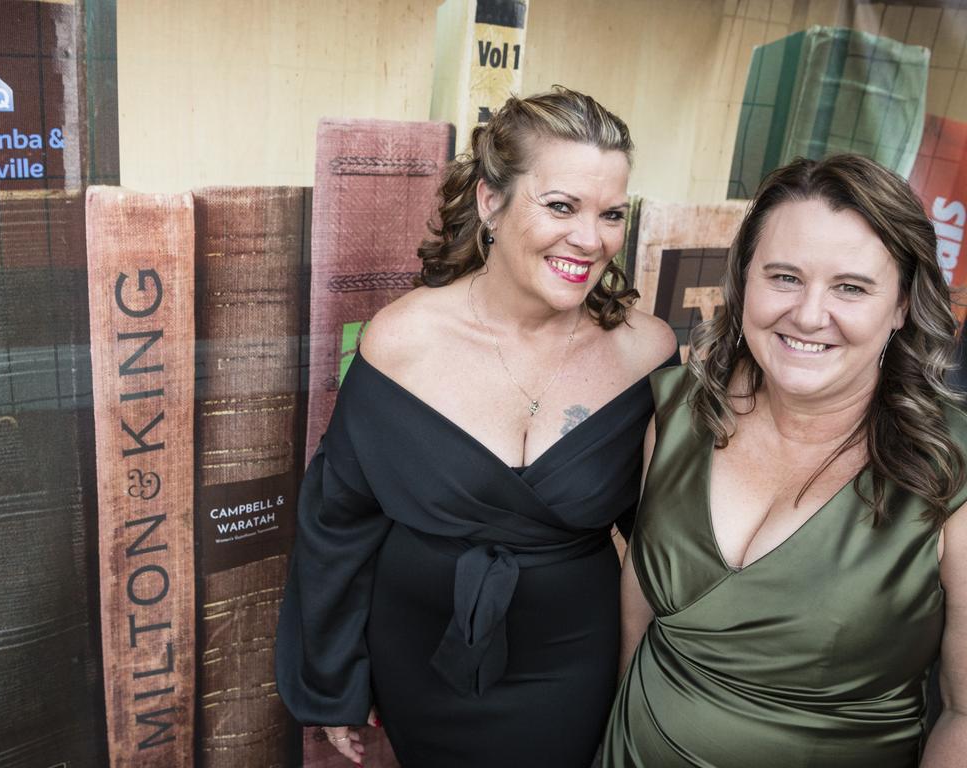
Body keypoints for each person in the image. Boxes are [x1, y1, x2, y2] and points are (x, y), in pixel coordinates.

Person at [275, 87, 677, 767]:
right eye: (561, 206)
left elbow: (669, 542)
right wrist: (335, 683)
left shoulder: (649, 352)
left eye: (612, 213)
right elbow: (337, 521)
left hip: (573, 666)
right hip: (419, 664)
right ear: (492, 201)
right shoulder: (401, 340)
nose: (591, 238)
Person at [603, 153, 967, 767]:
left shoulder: (951, 472)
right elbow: (640, 604)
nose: (807, 314)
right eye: (785, 277)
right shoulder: (680, 413)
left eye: (850, 287)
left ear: (902, 306)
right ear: (744, 280)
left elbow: (963, 716)